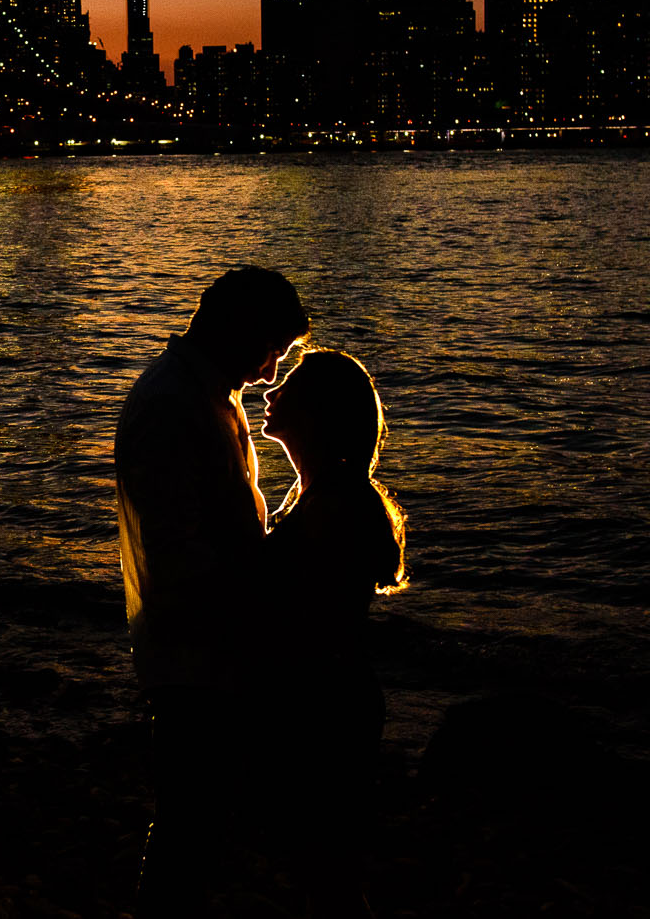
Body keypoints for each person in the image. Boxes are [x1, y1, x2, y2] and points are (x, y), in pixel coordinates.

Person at [114, 266, 311, 915]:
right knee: (188, 831)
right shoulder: (174, 404)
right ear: (238, 330)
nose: (267, 372)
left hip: (209, 652)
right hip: (191, 657)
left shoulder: (203, 396)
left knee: (197, 830)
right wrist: (269, 575)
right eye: (270, 351)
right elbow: (177, 554)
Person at [256, 349, 407, 917]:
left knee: (327, 873)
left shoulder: (335, 506)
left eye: (287, 386)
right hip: (325, 698)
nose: (270, 393)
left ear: (317, 412)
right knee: (321, 869)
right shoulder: (316, 494)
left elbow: (285, 606)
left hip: (325, 708)